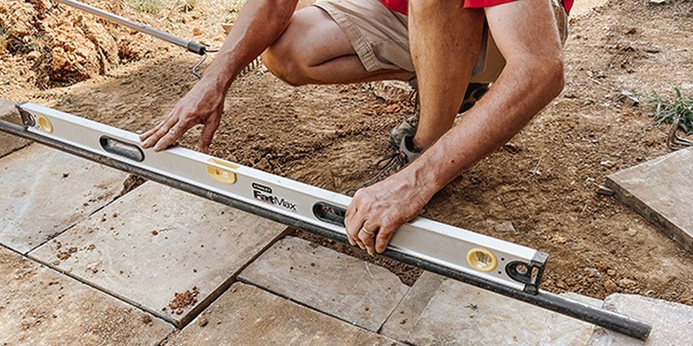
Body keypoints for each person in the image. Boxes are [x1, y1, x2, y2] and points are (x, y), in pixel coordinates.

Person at [141, 0, 573, 256]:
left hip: (509, 31)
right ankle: (449, 79)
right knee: (290, 50)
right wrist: (214, 79)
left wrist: (417, 182)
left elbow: (539, 68)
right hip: (415, 13)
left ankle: (427, 144)